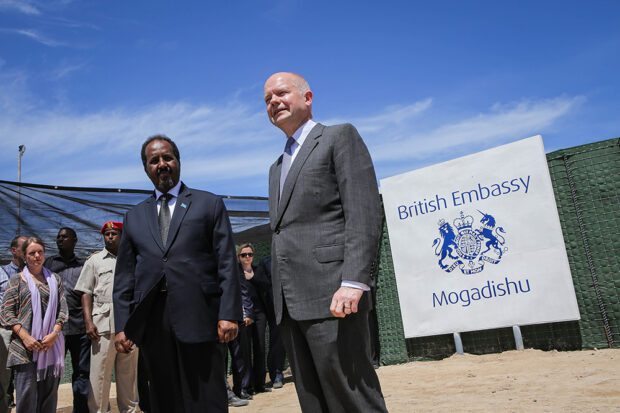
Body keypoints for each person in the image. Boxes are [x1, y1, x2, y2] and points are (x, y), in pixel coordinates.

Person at [264, 72, 388, 412]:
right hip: (290, 304)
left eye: (281, 93)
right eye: (267, 100)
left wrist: (353, 281)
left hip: (334, 295)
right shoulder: (276, 167)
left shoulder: (338, 137)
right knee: (313, 401)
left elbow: (363, 212)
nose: (273, 102)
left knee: (352, 396)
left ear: (307, 98)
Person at [113, 135, 242, 413]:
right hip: (153, 323)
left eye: (167, 157)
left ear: (178, 161)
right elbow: (124, 276)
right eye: (154, 160)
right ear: (146, 168)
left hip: (201, 317)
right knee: (163, 398)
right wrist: (123, 324)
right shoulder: (134, 216)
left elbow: (227, 264)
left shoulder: (208, 204)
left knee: (206, 397)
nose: (162, 164)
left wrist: (229, 313)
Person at [74, 221, 138, 413]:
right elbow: (86, 291)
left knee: (129, 373)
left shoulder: (134, 259)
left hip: (130, 323)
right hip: (102, 323)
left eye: (114, 233)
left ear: (122, 236)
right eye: (107, 234)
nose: (110, 236)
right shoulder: (94, 260)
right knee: (99, 374)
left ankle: (130, 410)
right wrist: (88, 321)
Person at [0, 237, 68, 413]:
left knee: (49, 396)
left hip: (50, 346)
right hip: (24, 349)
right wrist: (26, 337)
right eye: (32, 253)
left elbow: (63, 310)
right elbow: (6, 313)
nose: (37, 256)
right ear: (24, 256)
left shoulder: (55, 280)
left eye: (40, 252)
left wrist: (54, 333)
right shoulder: (16, 281)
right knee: (26, 398)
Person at [44, 227, 90, 413]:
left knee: (82, 372)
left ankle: (80, 410)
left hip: (80, 329)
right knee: (52, 373)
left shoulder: (83, 265)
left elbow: (88, 293)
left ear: (75, 240)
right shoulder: (48, 264)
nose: (60, 239)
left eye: (64, 237)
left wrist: (89, 322)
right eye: (58, 237)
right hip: (56, 330)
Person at [236, 244, 272, 394]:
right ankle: (247, 386)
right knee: (245, 350)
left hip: (260, 314)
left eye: (250, 254)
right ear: (239, 257)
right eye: (244, 255)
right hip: (244, 314)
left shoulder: (257, 270)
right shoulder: (236, 271)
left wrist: (253, 278)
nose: (247, 257)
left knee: (260, 347)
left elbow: (267, 285)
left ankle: (260, 384)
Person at [1, 235, 27, 410]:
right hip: (6, 331)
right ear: (14, 250)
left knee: (26, 378)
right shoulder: (2, 272)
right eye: (24, 247)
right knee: (3, 378)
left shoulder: (34, 274)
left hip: (28, 333)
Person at [257, 255, 286, 389]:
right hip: (276, 309)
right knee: (277, 341)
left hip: (296, 304)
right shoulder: (265, 262)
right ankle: (276, 373)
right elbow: (262, 285)